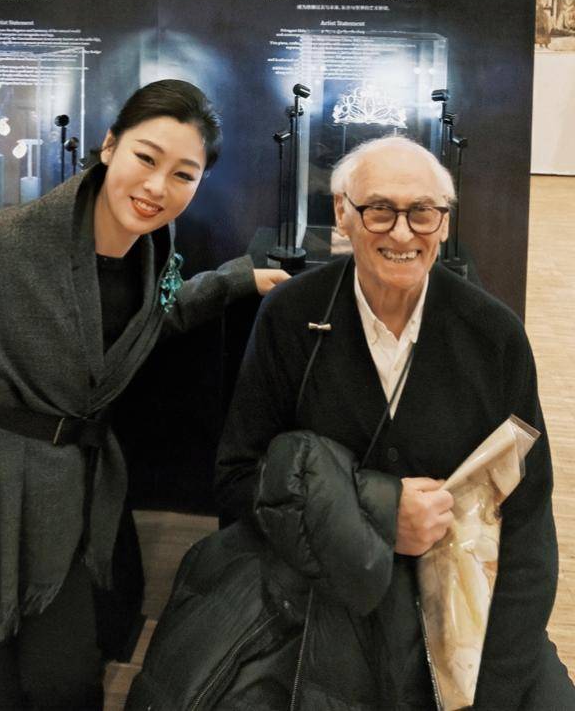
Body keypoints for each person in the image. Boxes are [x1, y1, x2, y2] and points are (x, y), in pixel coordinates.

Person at [126, 135, 574, 710]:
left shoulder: (494, 336)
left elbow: (527, 518)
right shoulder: (291, 316)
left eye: (423, 212)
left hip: (457, 601)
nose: (403, 233)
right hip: (317, 593)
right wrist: (381, 514)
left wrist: (495, 679)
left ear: (443, 221)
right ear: (342, 212)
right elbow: (238, 479)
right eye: (380, 209)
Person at [0, 79, 287, 711]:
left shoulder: (153, 253)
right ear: (108, 146)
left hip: (58, 505)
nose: (157, 186)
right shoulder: (5, 242)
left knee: (66, 683)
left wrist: (239, 280)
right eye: (146, 158)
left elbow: (157, 315)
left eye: (183, 174)